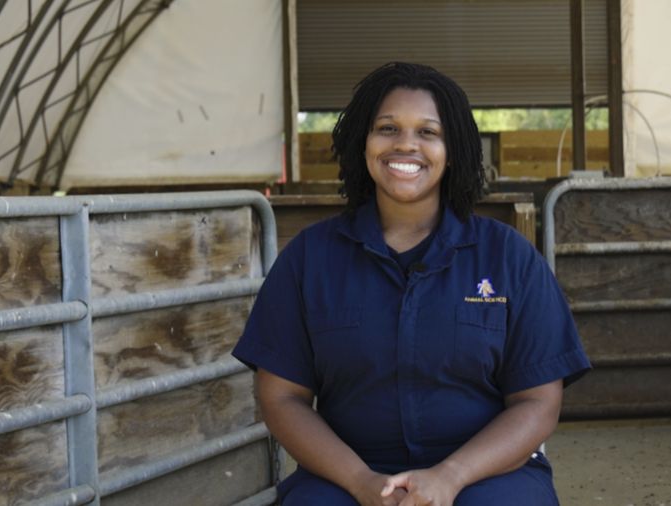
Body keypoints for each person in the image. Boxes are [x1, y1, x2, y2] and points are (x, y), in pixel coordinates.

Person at [232, 62, 590, 505]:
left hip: (487, 473)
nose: (406, 143)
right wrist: (362, 481)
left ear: (452, 148)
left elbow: (538, 402)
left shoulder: (509, 257)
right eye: (387, 128)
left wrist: (449, 477)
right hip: (343, 475)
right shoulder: (309, 258)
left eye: (428, 132)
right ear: (362, 142)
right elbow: (282, 397)